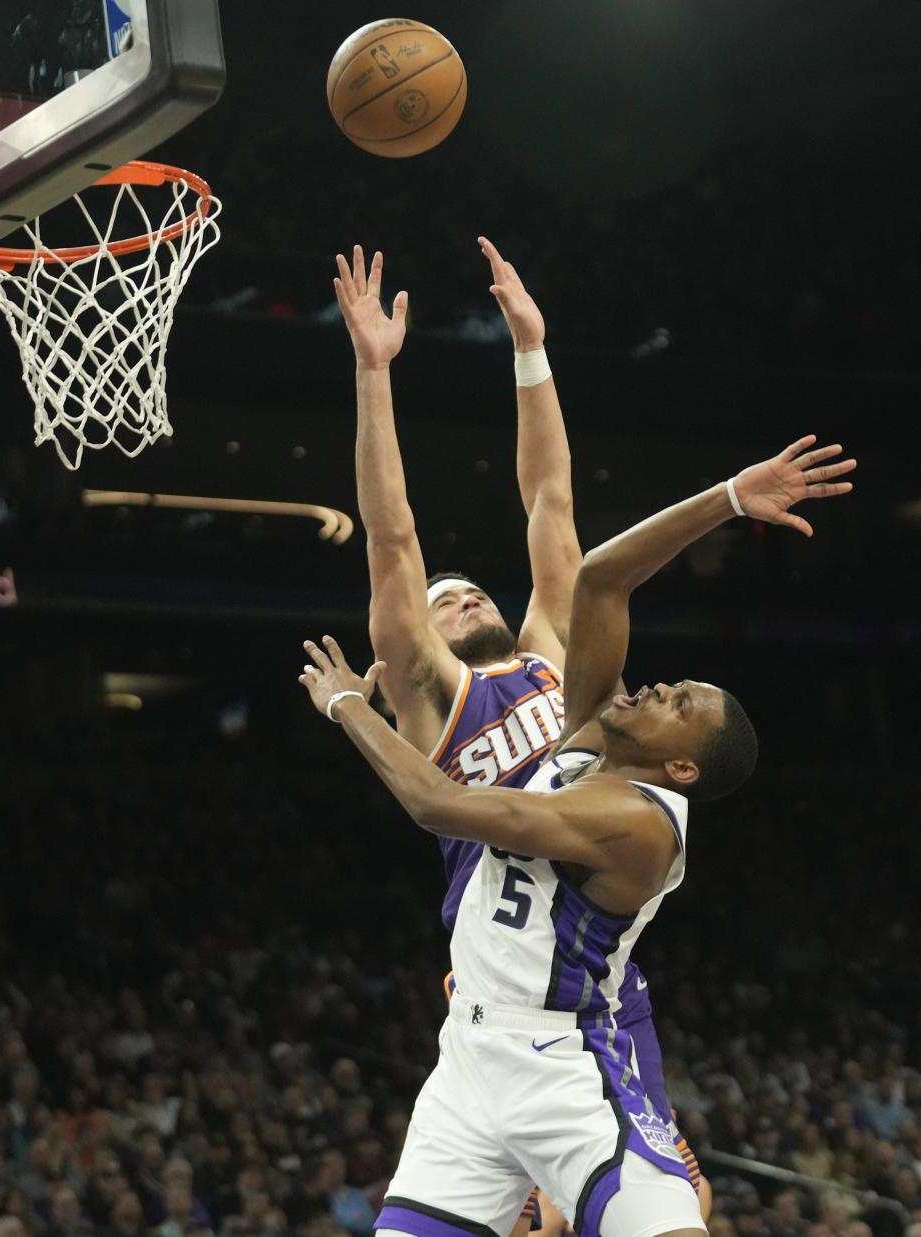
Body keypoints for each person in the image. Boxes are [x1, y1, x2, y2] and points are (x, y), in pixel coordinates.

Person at [298, 433, 855, 1237]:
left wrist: (348, 704)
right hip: (470, 1054)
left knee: (681, 1219)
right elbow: (598, 575)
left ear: (680, 766)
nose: (662, 685)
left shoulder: (636, 820)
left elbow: (434, 803)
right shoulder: (591, 735)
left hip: (567, 1062)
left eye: (681, 703)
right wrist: (730, 494)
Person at [335, 239, 708, 1218]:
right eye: (441, 602)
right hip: (498, 989)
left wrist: (530, 352)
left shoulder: (555, 652)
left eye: (466, 592)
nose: (454, 599)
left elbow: (550, 498)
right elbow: (393, 534)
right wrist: (375, 370)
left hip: (589, 981)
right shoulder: (427, 695)